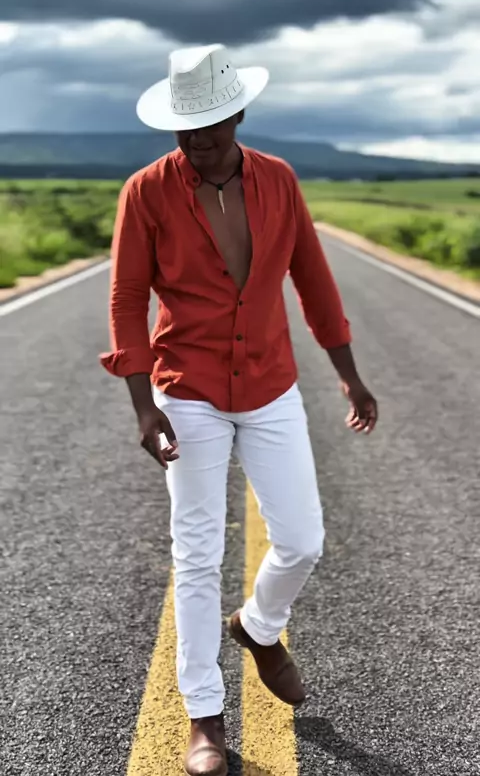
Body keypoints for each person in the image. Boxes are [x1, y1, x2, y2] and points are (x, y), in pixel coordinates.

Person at [100, 43, 378, 776]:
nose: (197, 140)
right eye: (185, 127)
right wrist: (142, 406)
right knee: (196, 553)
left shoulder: (279, 180)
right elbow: (127, 300)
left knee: (303, 541)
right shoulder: (146, 191)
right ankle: (205, 716)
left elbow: (313, 280)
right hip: (186, 388)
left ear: (239, 115)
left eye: (211, 126)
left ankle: (257, 627)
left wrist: (349, 377)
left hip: (270, 384)